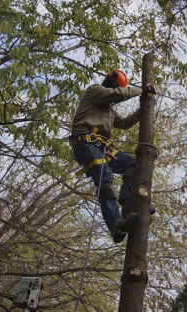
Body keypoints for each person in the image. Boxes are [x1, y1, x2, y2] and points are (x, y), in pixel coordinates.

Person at [70, 69, 156, 243]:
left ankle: (127, 204)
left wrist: (144, 110)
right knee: (105, 178)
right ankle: (116, 226)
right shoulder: (94, 91)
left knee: (133, 164)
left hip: (101, 146)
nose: (115, 88)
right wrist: (141, 90)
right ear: (108, 81)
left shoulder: (108, 109)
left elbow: (124, 123)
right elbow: (119, 94)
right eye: (114, 85)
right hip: (85, 143)